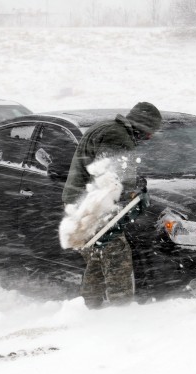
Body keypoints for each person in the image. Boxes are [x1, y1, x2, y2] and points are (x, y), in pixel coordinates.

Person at [62, 102, 162, 309]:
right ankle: (121, 309)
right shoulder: (117, 137)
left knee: (98, 255)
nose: (150, 138)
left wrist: (135, 180)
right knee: (117, 256)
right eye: (149, 133)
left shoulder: (106, 128)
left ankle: (91, 305)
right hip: (94, 206)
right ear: (141, 127)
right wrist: (131, 189)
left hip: (82, 202)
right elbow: (109, 174)